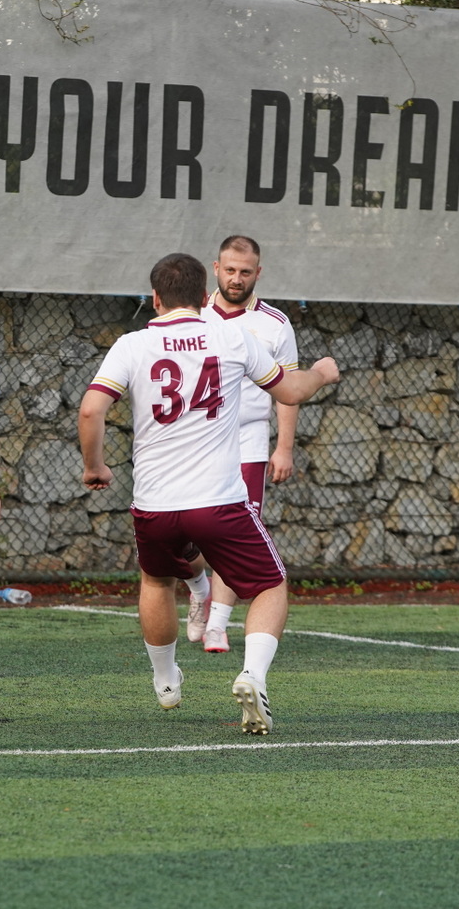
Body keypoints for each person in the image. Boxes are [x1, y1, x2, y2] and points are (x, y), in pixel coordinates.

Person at [78, 252, 339, 734]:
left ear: (155, 298)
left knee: (156, 582)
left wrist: (95, 466)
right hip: (218, 500)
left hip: (155, 503)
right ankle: (252, 675)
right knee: (270, 585)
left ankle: (166, 682)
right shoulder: (231, 335)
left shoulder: (132, 344)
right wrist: (322, 372)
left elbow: (92, 409)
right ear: (204, 296)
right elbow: (291, 391)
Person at [186, 235, 300, 654]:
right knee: (183, 535)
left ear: (258, 273)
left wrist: (283, 447)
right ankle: (199, 589)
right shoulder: (192, 315)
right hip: (195, 440)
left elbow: (288, 390)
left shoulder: (275, 324)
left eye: (245, 272)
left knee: (235, 534)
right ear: (216, 268)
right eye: (230, 270)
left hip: (247, 440)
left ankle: (218, 624)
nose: (237, 279)